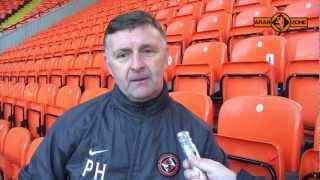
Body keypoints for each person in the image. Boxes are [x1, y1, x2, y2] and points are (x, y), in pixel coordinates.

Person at [19, 10, 262, 180]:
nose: (136, 65)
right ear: (109, 64)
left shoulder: (196, 134)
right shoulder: (74, 124)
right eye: (123, 54)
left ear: (167, 57)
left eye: (147, 51)